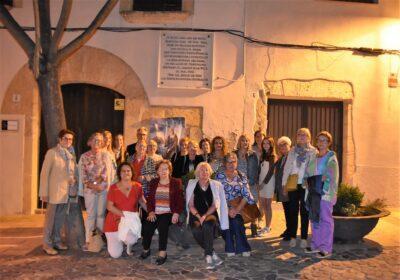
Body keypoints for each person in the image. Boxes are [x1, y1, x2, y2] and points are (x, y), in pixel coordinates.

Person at [39, 129, 79, 255]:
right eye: (66, 139)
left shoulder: (71, 154)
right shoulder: (52, 153)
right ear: (60, 139)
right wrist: (43, 192)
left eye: (70, 139)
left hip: (65, 193)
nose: (68, 141)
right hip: (53, 193)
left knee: (60, 219)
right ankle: (47, 244)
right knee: (50, 220)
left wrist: (74, 180)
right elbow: (44, 174)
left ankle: (56, 241)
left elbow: (72, 172)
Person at [140, 160, 184, 265]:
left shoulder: (176, 182)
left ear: (169, 171)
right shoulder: (154, 182)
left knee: (163, 225)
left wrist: (176, 213)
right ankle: (146, 249)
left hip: (168, 212)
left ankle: (162, 252)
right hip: (155, 212)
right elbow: (150, 200)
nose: (163, 171)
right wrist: (150, 212)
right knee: (147, 226)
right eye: (160, 169)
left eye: (166, 169)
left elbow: (180, 200)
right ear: (157, 172)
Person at [186, 162, 228, 269]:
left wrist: (204, 216)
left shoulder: (216, 184)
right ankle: (212, 252)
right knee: (196, 230)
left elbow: (215, 205)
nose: (204, 172)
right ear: (197, 173)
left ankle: (208, 255)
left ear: (210, 172)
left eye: (206, 170)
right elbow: (190, 205)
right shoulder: (192, 184)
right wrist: (199, 216)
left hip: (210, 213)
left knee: (207, 225)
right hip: (195, 214)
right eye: (201, 170)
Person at [304, 131, 339, 258]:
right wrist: (306, 180)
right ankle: (315, 244)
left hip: (325, 194)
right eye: (319, 140)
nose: (321, 143)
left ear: (329, 142)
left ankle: (326, 247)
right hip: (313, 193)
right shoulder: (314, 157)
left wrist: (318, 179)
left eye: (324, 140)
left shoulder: (331, 157)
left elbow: (330, 175)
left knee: (326, 220)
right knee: (314, 219)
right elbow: (307, 173)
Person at [282, 128, 317, 248]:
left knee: (304, 211)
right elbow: (287, 168)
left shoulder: (313, 152)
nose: (301, 136)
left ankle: (303, 237)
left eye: (304, 135)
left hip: (305, 185)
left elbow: (313, 169)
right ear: (296, 137)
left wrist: (310, 181)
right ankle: (292, 236)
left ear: (309, 137)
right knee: (292, 211)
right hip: (293, 183)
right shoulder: (292, 151)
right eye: (299, 134)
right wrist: (284, 185)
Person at [215, 153, 255, 257]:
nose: (231, 164)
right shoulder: (219, 176)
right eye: (228, 161)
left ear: (236, 163)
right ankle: (230, 247)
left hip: (240, 206)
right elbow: (217, 195)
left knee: (236, 221)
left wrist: (236, 209)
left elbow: (246, 195)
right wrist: (228, 208)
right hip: (224, 206)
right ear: (225, 163)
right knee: (227, 221)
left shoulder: (242, 176)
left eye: (233, 161)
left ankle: (242, 247)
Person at [78, 132, 113, 250]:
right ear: (89, 142)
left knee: (101, 215)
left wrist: (100, 184)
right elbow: (82, 175)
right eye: (95, 140)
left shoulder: (106, 155)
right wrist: (93, 185)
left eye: (100, 140)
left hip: (103, 189)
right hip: (90, 190)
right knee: (91, 215)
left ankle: (100, 240)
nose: (97, 142)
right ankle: (89, 241)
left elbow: (108, 173)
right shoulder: (84, 156)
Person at [104, 162, 146, 258]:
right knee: (115, 255)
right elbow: (109, 207)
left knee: (131, 239)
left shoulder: (138, 186)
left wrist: (152, 211)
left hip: (129, 223)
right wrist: (125, 215)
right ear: (119, 173)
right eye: (123, 171)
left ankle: (127, 243)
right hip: (113, 222)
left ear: (132, 173)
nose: (126, 173)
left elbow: (142, 202)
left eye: (128, 171)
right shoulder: (113, 188)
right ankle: (119, 240)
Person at [234, 134, 259, 237]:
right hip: (237, 184)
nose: (245, 143)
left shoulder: (253, 155)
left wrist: (253, 182)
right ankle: (241, 227)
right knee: (241, 206)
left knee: (252, 205)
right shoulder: (234, 154)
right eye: (243, 141)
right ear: (239, 142)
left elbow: (256, 170)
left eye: (247, 141)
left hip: (250, 183)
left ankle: (254, 226)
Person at [258, 136, 277, 235]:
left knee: (268, 205)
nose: (265, 145)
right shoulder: (262, 155)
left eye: (268, 143)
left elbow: (270, 172)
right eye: (264, 143)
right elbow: (260, 170)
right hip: (261, 182)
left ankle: (268, 226)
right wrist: (258, 182)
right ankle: (264, 225)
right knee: (262, 205)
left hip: (268, 183)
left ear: (271, 145)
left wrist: (263, 183)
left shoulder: (273, 156)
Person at [274, 136, 292, 240]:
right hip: (282, 189)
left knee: (291, 210)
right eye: (280, 146)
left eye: (284, 144)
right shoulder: (281, 158)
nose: (282, 147)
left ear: (289, 145)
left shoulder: (292, 157)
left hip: (289, 189)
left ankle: (290, 232)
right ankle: (288, 229)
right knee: (286, 210)